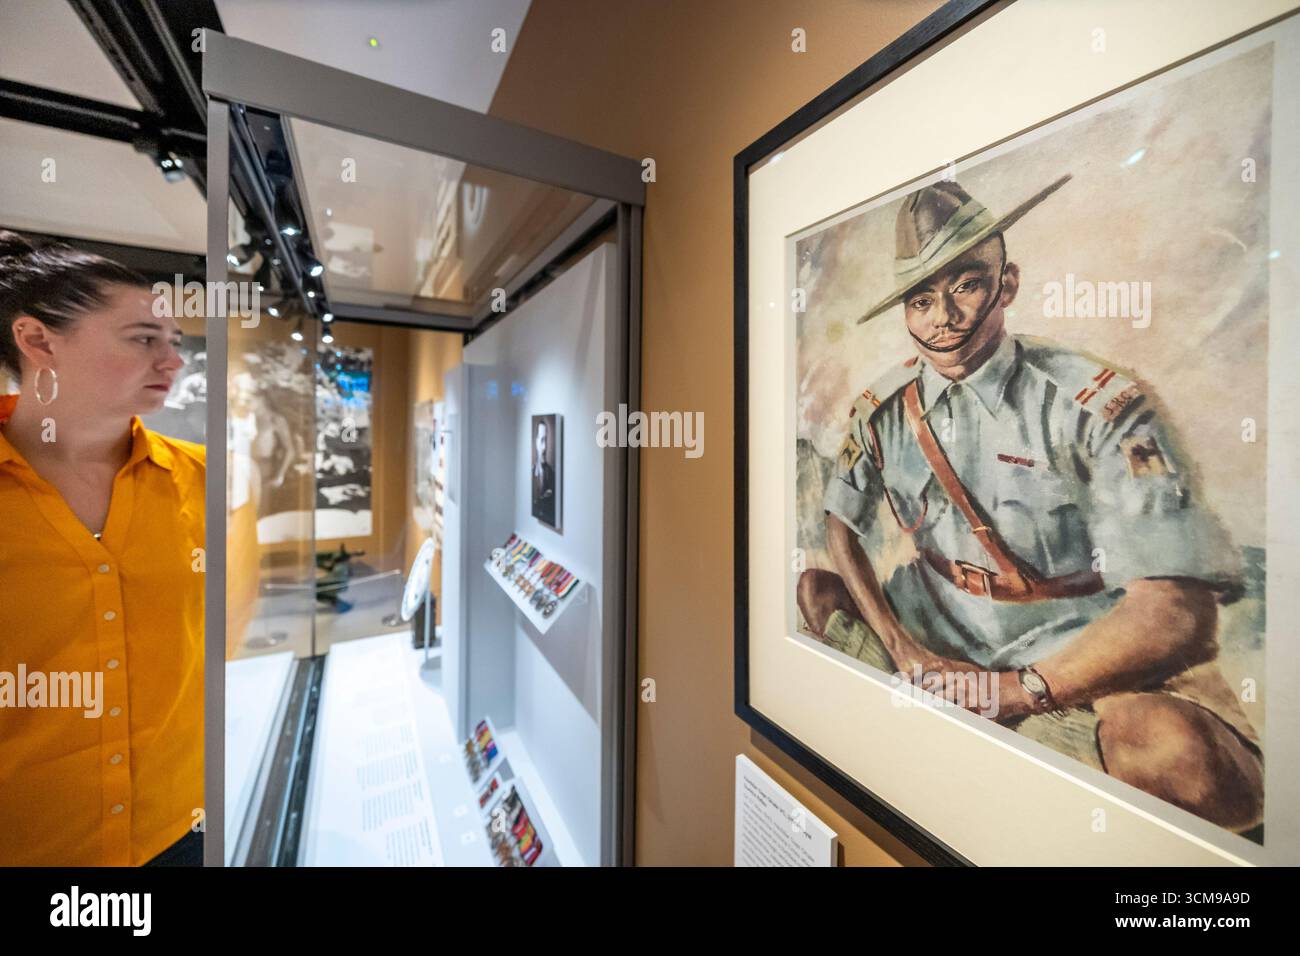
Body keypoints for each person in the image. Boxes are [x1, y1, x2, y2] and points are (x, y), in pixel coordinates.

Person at [799, 179, 1264, 833]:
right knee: (815, 595)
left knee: (1179, 755)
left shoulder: (1096, 403)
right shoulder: (884, 411)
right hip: (943, 634)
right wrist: (903, 648)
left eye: (965, 284)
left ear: (1007, 283)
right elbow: (838, 527)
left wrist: (1020, 690)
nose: (943, 318)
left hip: (1081, 653)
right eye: (922, 298)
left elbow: (1177, 613)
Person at [0, 231, 205, 865]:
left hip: (177, 829)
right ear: (38, 341)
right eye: (144, 339)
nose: (172, 362)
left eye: (173, 343)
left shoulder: (203, 478)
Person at [532, 418, 556, 527]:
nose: (545, 447)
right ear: (536, 442)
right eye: (542, 440)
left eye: (546, 440)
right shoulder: (531, 472)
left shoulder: (551, 474)